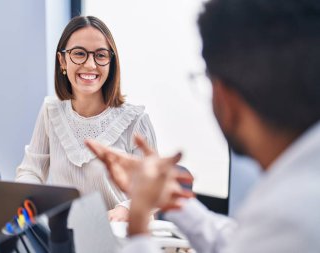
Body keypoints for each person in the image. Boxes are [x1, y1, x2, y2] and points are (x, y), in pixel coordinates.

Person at [85, 0, 320, 252]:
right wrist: (170, 196)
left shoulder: (288, 216)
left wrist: (139, 222)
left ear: (225, 98)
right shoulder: (297, 197)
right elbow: (238, 241)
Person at [15, 16, 157, 222]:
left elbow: (153, 190)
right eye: (79, 54)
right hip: (66, 236)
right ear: (62, 61)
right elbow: (31, 171)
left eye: (100, 55)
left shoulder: (135, 120)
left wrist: (125, 210)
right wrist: (27, 200)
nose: (90, 65)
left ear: (111, 63)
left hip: (120, 239)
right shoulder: (50, 111)